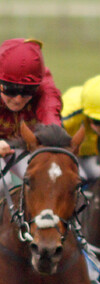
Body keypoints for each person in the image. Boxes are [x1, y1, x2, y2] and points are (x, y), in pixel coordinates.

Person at [0, 38, 62, 181]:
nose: (18, 99)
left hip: (18, 146)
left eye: (28, 90)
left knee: (42, 178)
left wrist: (52, 138)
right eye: (10, 89)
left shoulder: (45, 86)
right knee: (3, 184)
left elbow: (50, 117)